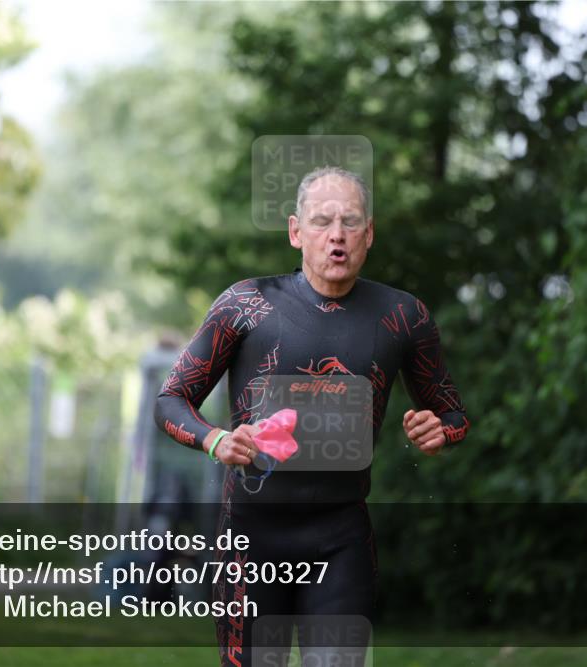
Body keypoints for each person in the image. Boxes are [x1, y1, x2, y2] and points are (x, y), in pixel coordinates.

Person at [154, 166, 470, 666]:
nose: (336, 234)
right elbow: (171, 400)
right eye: (322, 221)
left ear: (369, 233)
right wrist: (216, 440)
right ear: (296, 232)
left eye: (350, 221)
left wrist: (439, 431)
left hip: (341, 539)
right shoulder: (246, 305)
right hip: (250, 539)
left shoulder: (403, 317)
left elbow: (453, 413)